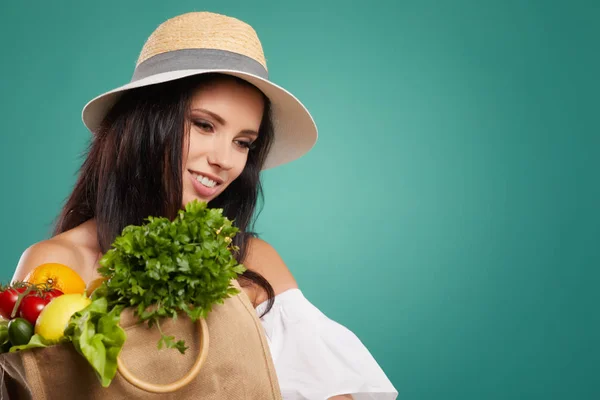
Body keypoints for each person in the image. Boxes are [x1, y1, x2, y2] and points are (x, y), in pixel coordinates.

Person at [12, 11, 398, 400]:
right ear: (145, 124)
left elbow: (333, 392)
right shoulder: (54, 266)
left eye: (243, 142)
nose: (226, 160)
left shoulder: (251, 260)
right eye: (205, 125)